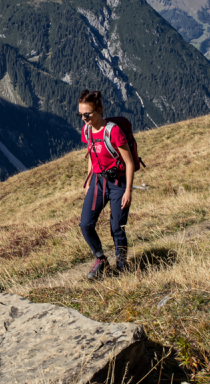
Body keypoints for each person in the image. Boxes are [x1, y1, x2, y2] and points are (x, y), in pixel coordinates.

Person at [77, 90, 135, 279]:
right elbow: (91, 154)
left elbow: (129, 163)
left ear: (99, 110)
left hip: (118, 183)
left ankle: (121, 267)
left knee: (117, 227)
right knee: (85, 224)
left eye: (88, 114)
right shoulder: (87, 131)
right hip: (98, 181)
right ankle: (101, 259)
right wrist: (88, 181)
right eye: (81, 114)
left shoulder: (113, 131)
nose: (84, 119)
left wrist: (128, 191)